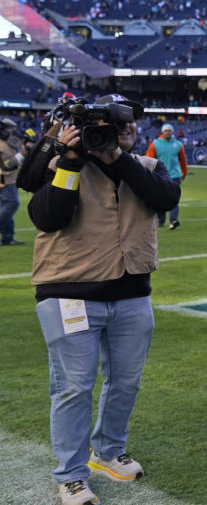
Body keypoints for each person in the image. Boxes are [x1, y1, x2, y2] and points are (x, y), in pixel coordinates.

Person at [26, 94, 180, 505]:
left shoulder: (145, 165)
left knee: (126, 381)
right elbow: (47, 217)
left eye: (130, 124)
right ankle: (71, 475)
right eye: (114, 123)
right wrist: (73, 160)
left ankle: (108, 451)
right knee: (74, 387)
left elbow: (166, 199)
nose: (125, 129)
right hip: (69, 293)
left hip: (131, 295)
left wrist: (115, 157)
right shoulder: (63, 163)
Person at [146, 122, 188, 229]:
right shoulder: (155, 144)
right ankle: (161, 220)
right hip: (160, 175)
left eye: (169, 131)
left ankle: (173, 220)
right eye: (166, 130)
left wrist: (184, 172)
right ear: (162, 132)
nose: (168, 132)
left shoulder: (178, 144)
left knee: (174, 197)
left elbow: (183, 160)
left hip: (174, 175)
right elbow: (148, 159)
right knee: (160, 197)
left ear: (172, 132)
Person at [0, 117, 25, 245]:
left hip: (8, 178)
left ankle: (7, 237)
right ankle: (7, 236)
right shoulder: (1, 145)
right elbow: (6, 165)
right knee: (12, 203)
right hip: (4, 179)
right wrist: (22, 154)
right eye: (10, 129)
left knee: (6, 205)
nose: (12, 132)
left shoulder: (6, 143)